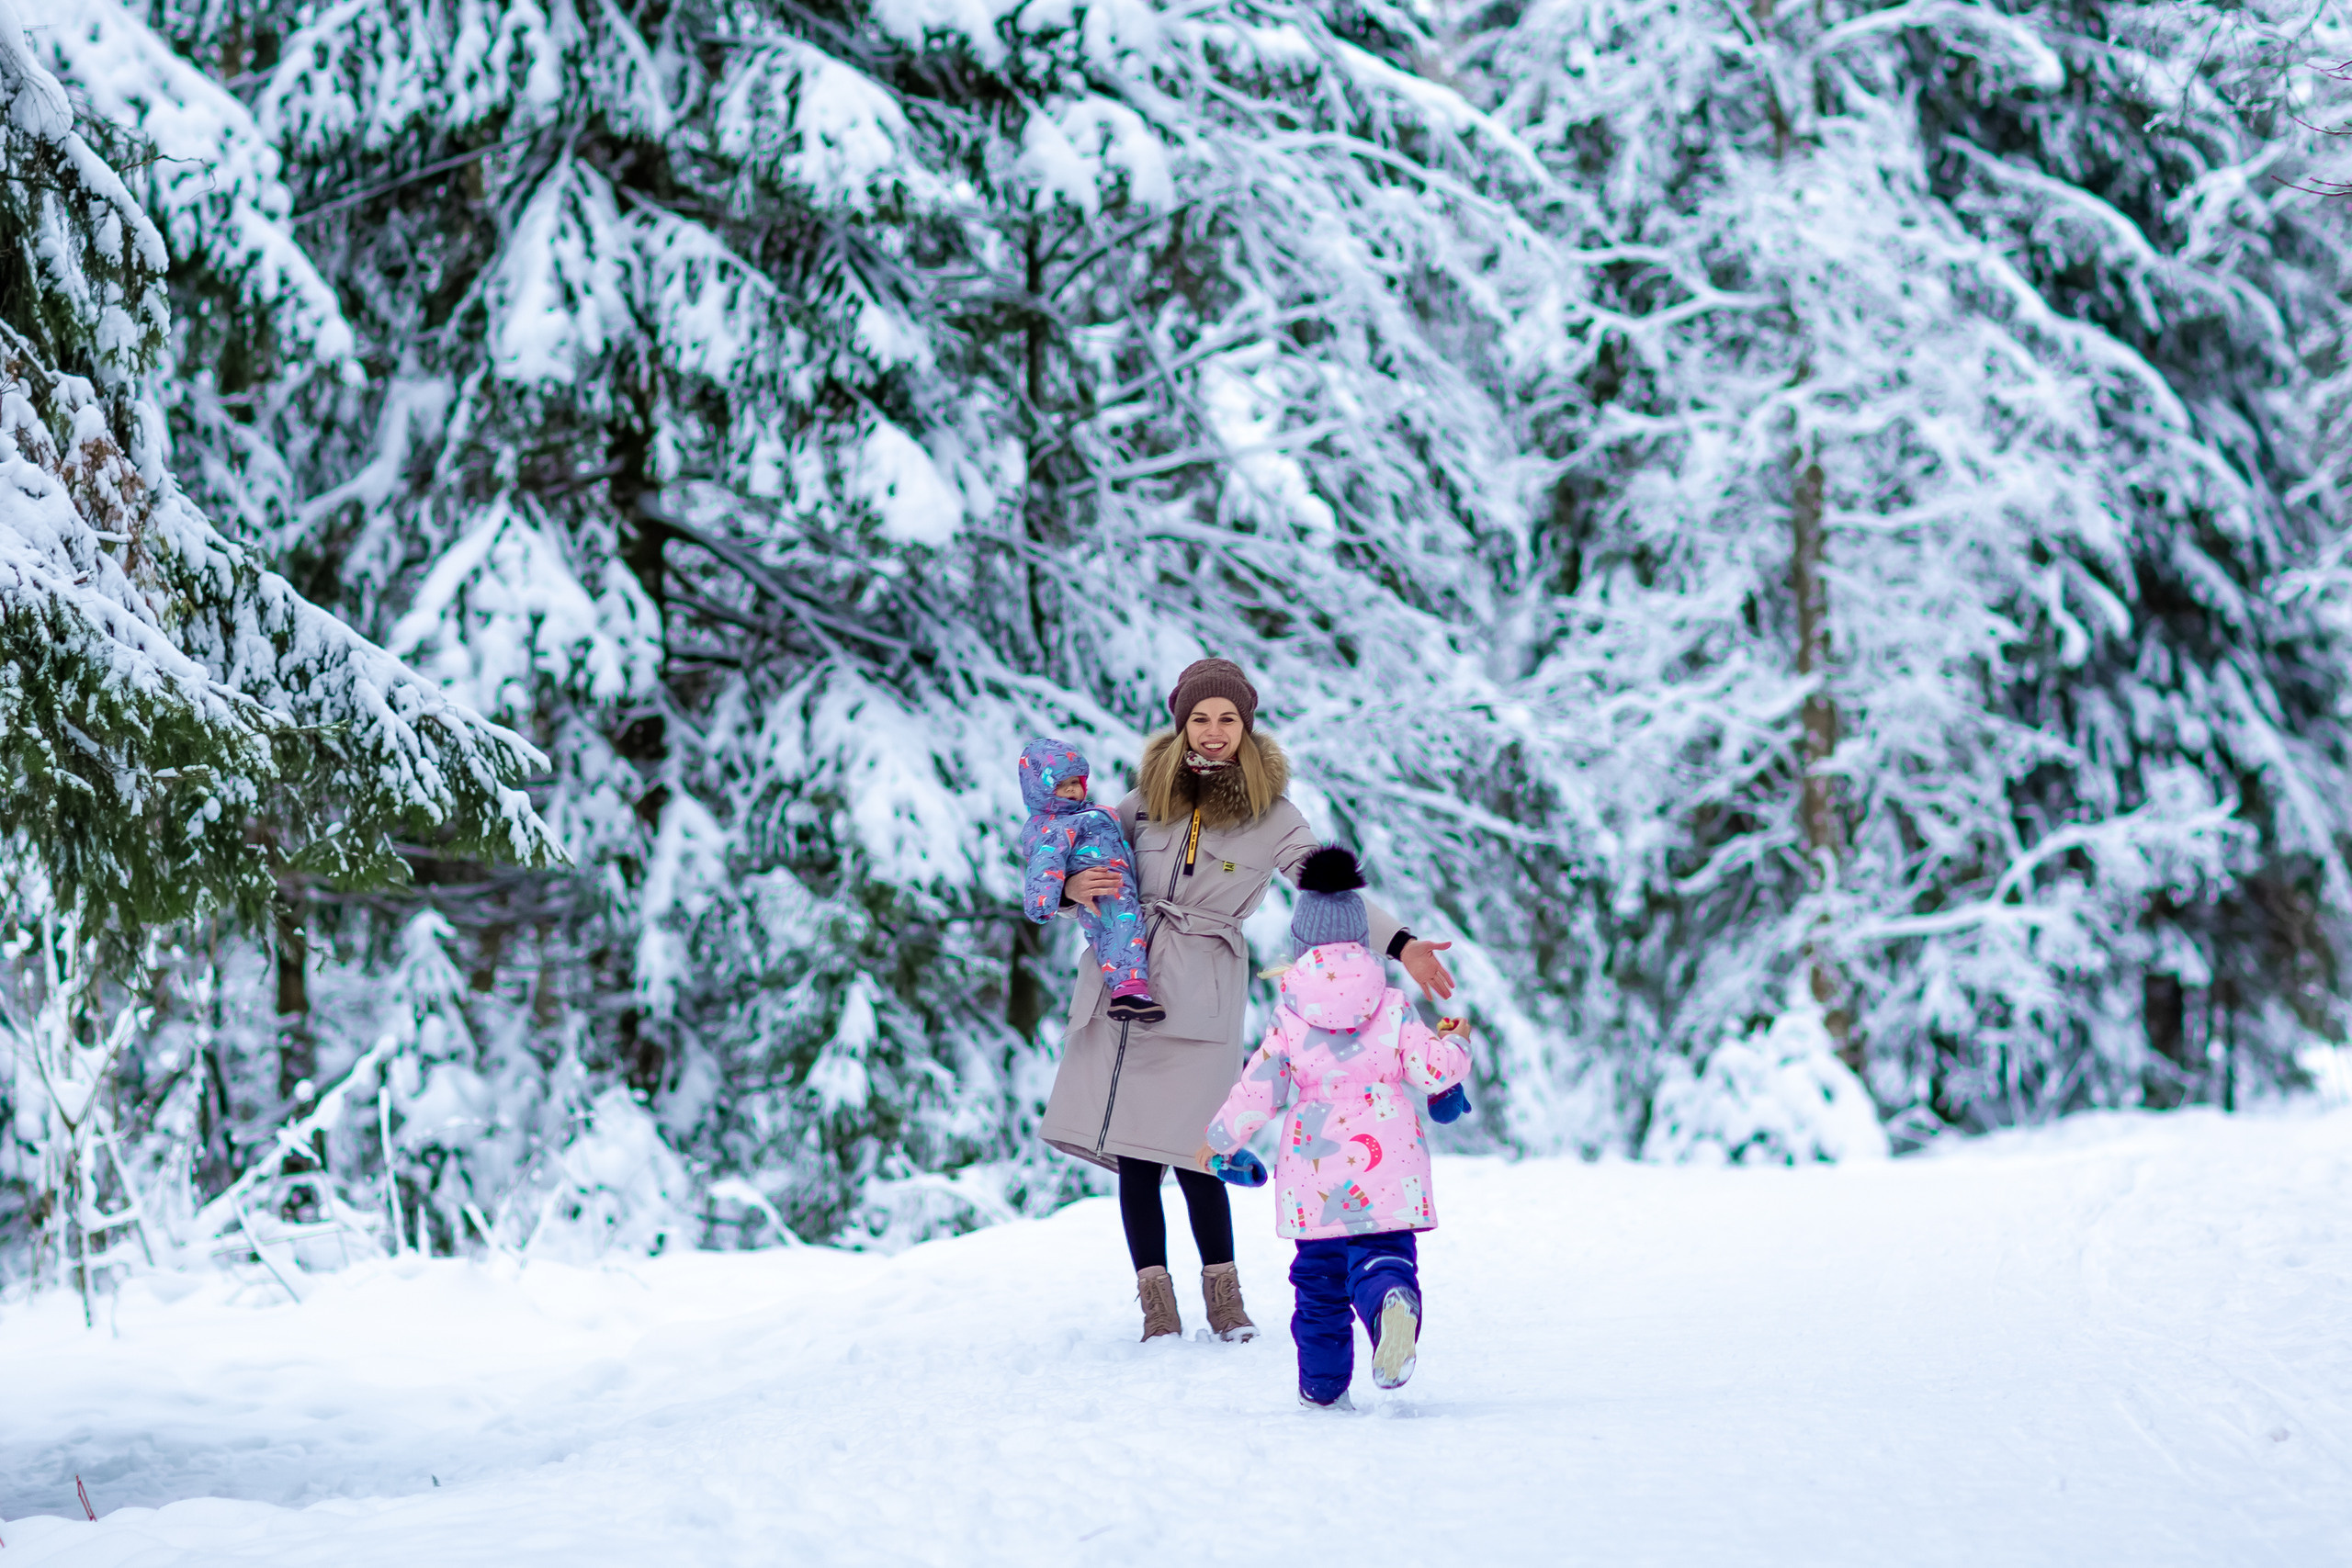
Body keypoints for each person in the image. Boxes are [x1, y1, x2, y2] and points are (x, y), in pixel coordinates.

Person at [1038, 658, 1458, 1343]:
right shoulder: (1143, 799)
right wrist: (1069, 888)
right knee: (1139, 1159)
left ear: (1245, 726)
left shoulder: (1272, 814)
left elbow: (1328, 889)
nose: (1212, 731)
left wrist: (1402, 940)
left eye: (1226, 719)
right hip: (1129, 984)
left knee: (1201, 1149)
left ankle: (1225, 1299)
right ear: (1182, 724)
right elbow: (1071, 854)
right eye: (1200, 718)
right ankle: (1157, 1307)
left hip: (1202, 991)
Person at [1200, 845, 1473, 1408]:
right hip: (1387, 1162)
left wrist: (1221, 1139)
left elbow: (1261, 1087)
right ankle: (1391, 1298)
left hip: (1314, 1171)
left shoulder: (1290, 1013)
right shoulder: (1394, 1005)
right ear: (1363, 940)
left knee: (1319, 1285)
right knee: (1383, 1255)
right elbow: (1432, 1071)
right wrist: (1458, 1042)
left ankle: (1322, 1390)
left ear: (1301, 946)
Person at [1018, 738, 1161, 1022]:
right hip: (1101, 888)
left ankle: (1129, 989)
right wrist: (1045, 901)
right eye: (1061, 785)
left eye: (1076, 782)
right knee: (1118, 931)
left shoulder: (1086, 815)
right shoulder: (1053, 826)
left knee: (1123, 928)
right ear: (1040, 790)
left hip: (1118, 883)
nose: (1072, 790)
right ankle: (1128, 989)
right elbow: (1045, 864)